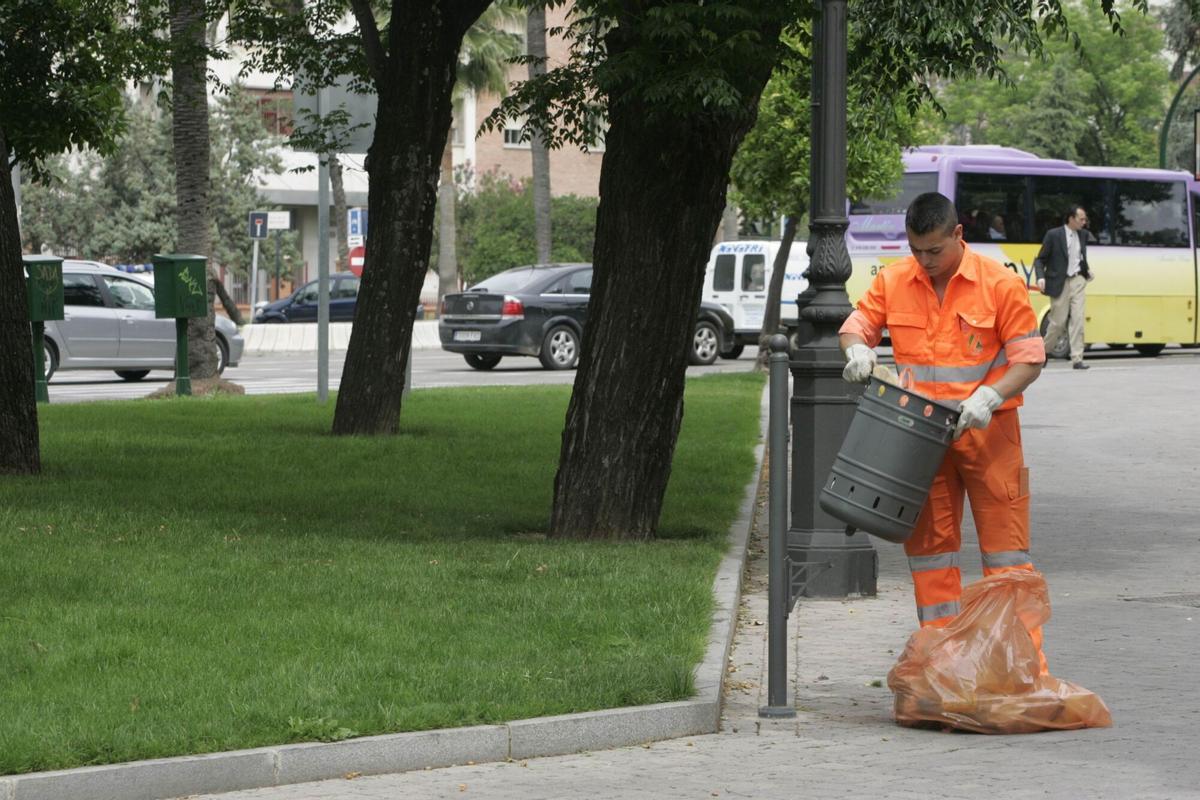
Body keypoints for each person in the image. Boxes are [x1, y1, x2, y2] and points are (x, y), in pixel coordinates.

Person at [838, 192, 1049, 669]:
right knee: (931, 557)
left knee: (1007, 558)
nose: (925, 261)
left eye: (934, 250)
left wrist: (989, 397)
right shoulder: (895, 280)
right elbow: (857, 326)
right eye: (916, 250)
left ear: (958, 235)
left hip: (990, 434)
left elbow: (1029, 358)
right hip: (922, 440)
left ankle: (1023, 670)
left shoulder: (999, 284)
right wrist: (856, 352)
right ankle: (944, 669)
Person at [1033, 205, 1092, 370]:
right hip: (1060, 282)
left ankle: (1077, 358)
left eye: (1084, 219)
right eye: (1081, 219)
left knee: (1078, 319)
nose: (1084, 222)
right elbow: (1040, 260)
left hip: (1078, 280)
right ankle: (1043, 353)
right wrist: (1041, 277)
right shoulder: (1053, 235)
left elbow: (1080, 257)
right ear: (1071, 219)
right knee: (1058, 322)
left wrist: (1086, 271)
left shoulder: (1083, 235)